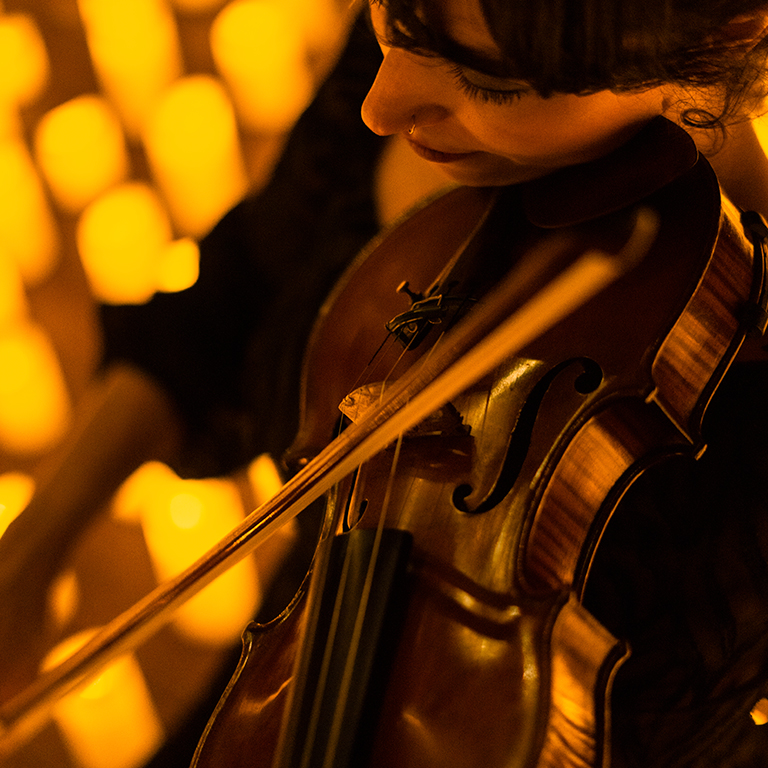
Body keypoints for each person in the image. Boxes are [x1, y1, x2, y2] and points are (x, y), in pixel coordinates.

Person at [4, 2, 768, 767]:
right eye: (391, 18)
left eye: (489, 82)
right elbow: (240, 296)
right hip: (301, 664)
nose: (381, 103)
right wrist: (33, 557)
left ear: (726, 39)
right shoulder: (438, 34)